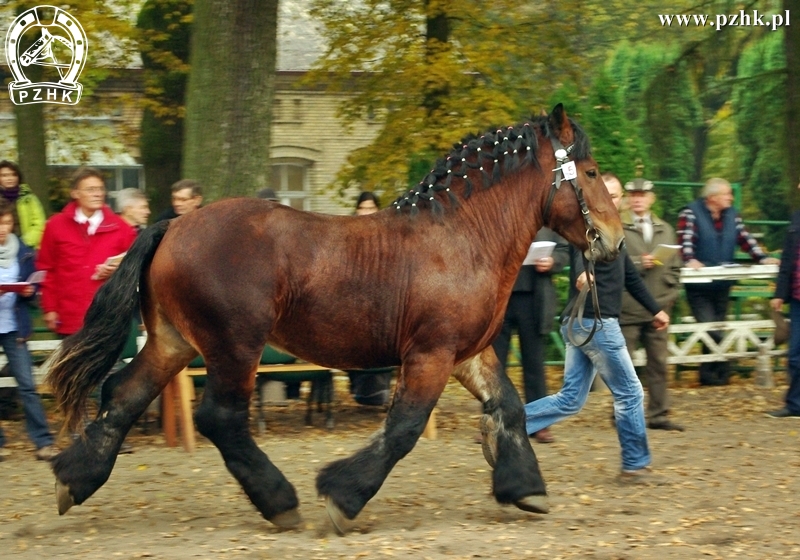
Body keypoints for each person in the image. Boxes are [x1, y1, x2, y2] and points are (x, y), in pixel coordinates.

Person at [523, 173, 670, 484]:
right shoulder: (589, 229)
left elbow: (629, 277)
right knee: (630, 393)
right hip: (596, 322)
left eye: (617, 196)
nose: (613, 201)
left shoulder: (615, 233)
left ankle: (506, 423)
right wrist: (583, 276)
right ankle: (634, 466)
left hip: (581, 323)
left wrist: (655, 310)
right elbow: (582, 257)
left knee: (571, 400)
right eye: (608, 195)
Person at [676, 178, 779, 386]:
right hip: (699, 286)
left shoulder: (732, 215)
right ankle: (715, 373)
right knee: (709, 328)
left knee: (718, 328)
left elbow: (745, 239)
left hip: (723, 284)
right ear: (712, 197)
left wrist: (762, 257)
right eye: (726, 194)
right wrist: (690, 260)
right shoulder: (690, 213)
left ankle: (714, 376)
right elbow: (685, 242)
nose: (730, 197)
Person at [37, 167, 137, 337]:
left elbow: (136, 270)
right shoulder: (55, 226)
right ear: (75, 193)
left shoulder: (122, 230)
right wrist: (50, 308)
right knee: (72, 364)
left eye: (100, 189)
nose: (97, 194)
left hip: (107, 316)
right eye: (91, 189)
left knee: (105, 364)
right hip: (69, 317)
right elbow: (47, 270)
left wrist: (115, 272)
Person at [492, 228, 568, 443]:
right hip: (500, 299)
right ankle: (494, 422)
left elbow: (564, 249)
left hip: (535, 300)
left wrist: (552, 262)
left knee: (534, 365)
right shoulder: (503, 213)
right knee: (495, 367)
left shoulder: (550, 221)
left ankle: (539, 424)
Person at [619, 178, 684, 431]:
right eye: (633, 194)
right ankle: (623, 415)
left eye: (642, 195)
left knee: (659, 363)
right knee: (624, 367)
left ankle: (658, 414)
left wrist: (670, 295)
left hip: (659, 308)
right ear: (627, 198)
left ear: (651, 198)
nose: (637, 199)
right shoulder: (618, 227)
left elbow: (676, 267)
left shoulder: (665, 229)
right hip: (629, 307)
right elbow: (611, 261)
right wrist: (637, 262)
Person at [0, 200, 59, 462]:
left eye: (7, 223)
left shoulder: (23, 251)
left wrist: (28, 290)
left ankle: (43, 442)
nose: (3, 228)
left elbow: (34, 286)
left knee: (27, 385)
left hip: (15, 327)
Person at [768, 184, 800, 418]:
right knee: (795, 353)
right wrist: (780, 293)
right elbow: (788, 258)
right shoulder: (796, 218)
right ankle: (794, 404)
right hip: (798, 299)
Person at [0, 160, 47, 250]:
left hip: (26, 246)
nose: (10, 178)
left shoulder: (29, 198)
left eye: (14, 175)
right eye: (4, 175)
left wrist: (24, 242)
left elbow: (39, 224)